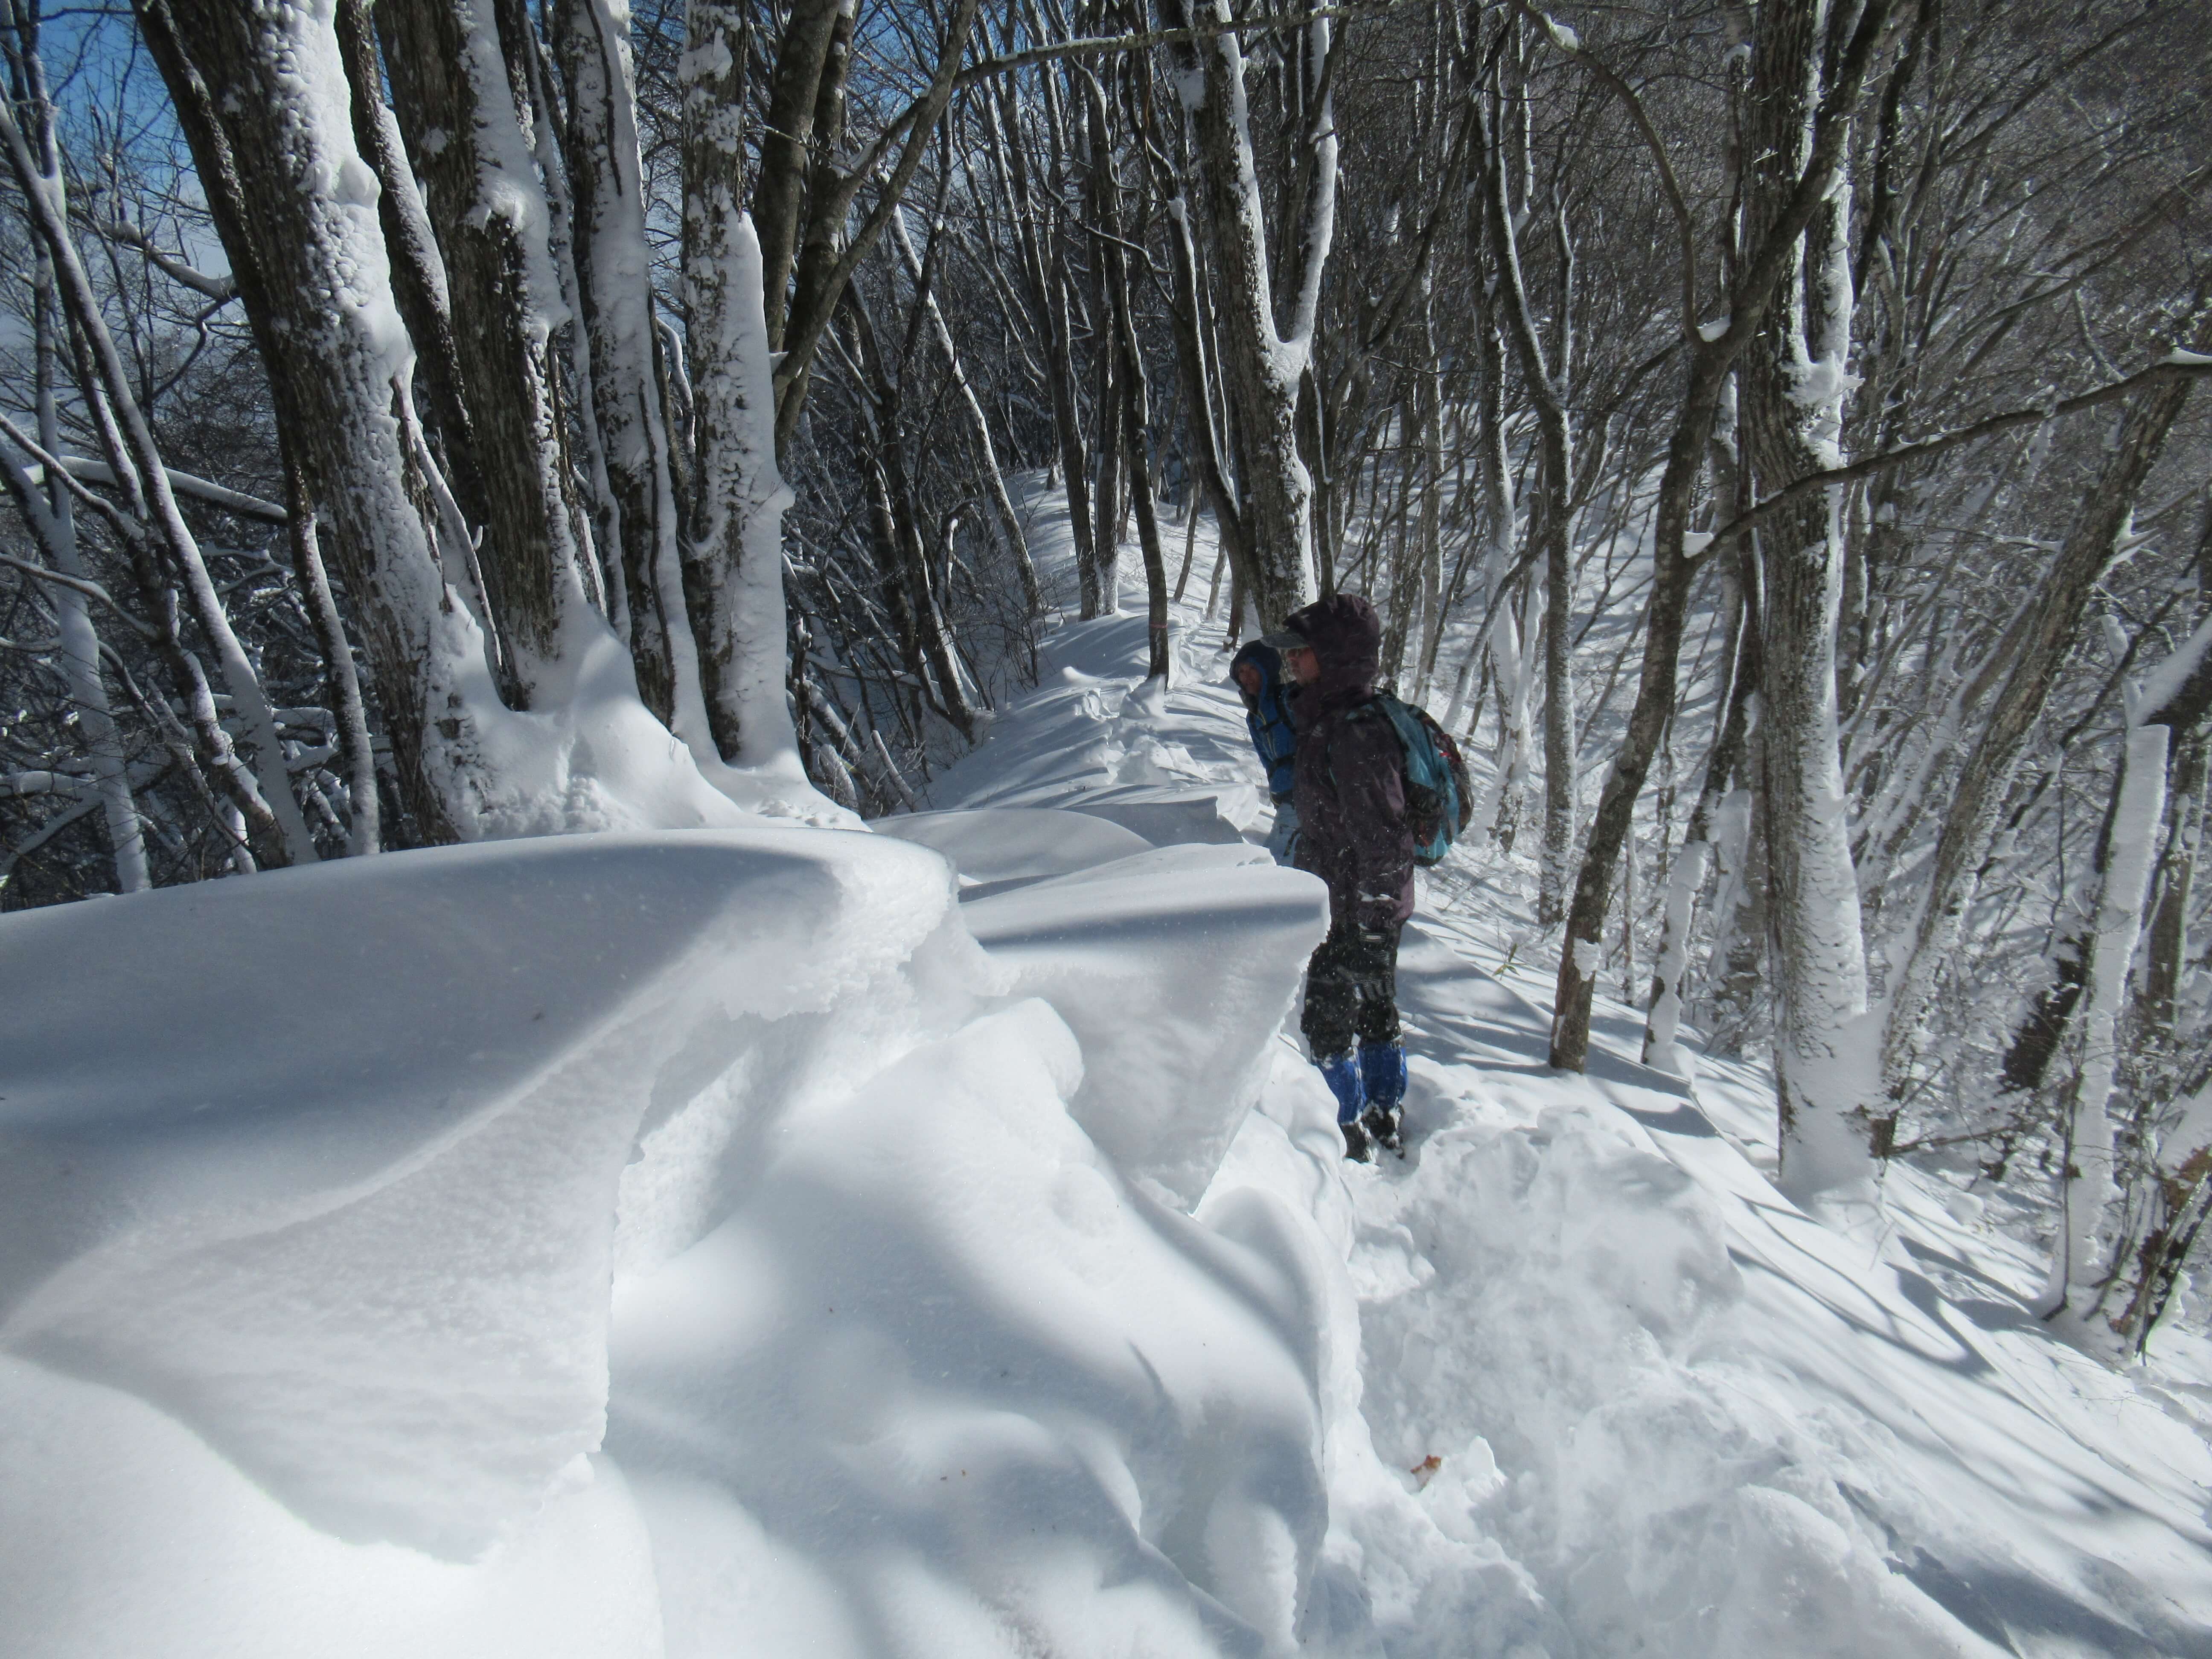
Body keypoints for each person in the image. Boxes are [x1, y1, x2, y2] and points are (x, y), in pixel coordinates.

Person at [1278, 594, 1414, 1161]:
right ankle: (1383, 1108)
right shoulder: (1332, 717)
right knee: (1376, 1007)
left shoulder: (1355, 732)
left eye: (1301, 653)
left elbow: (1384, 834)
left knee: (1329, 1024)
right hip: (1358, 900)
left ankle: (1349, 1127)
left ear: (1330, 657)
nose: (1292, 663)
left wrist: (1373, 921)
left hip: (1356, 907)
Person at [1229, 638, 1301, 864]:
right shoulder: (1254, 717)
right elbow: (1270, 764)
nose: (1247, 676)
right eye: (1242, 671)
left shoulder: (1289, 699)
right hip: (1286, 802)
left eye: (1253, 669)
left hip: (1305, 799)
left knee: (1272, 864)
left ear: (1267, 670)